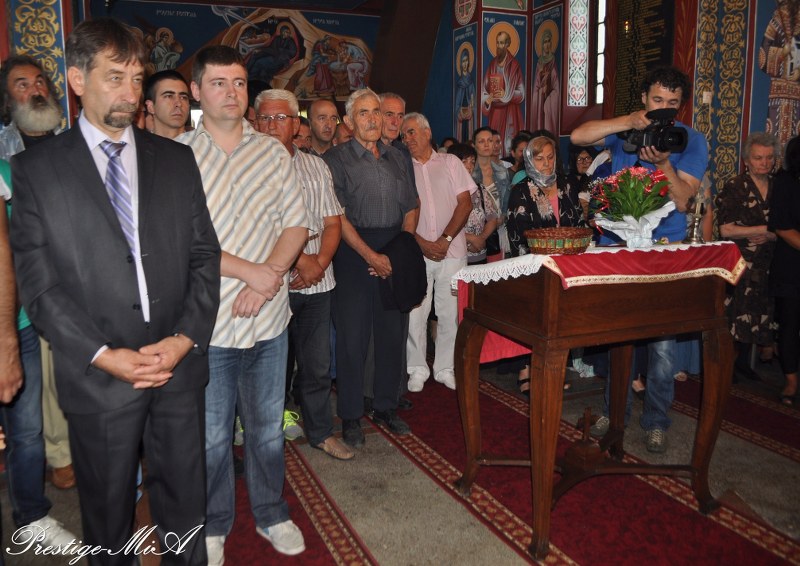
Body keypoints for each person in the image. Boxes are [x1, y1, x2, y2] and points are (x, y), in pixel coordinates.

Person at [11, 18, 221, 564]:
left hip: (176, 368)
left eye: (136, 77)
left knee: (186, 509)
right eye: (114, 77)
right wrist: (106, 355)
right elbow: (40, 287)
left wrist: (184, 339)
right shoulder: (36, 171)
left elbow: (204, 256)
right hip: (98, 377)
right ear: (78, 79)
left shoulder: (175, 159)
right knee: (107, 520)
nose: (130, 92)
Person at [179, 45, 309, 563]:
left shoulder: (272, 153)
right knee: (211, 438)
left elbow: (296, 225)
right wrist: (249, 272)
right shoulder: (177, 156)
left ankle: (271, 513)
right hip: (208, 324)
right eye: (219, 83)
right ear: (196, 90)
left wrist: (267, 277)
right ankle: (214, 522)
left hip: (269, 318)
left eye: (238, 83)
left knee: (266, 430)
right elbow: (182, 242)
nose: (231, 92)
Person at [571, 66, 709, 453]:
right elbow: (578, 136)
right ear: (645, 98)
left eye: (672, 103)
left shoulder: (690, 140)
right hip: (617, 245)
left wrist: (664, 164)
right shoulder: (627, 129)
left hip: (665, 247)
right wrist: (629, 122)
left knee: (663, 345)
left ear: (680, 106)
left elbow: (684, 201)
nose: (663, 107)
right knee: (618, 337)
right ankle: (614, 412)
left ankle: (656, 420)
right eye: (657, 100)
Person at [254, 88, 353, 460]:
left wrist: (319, 264)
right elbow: (257, 225)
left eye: (281, 118)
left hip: (317, 281)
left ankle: (321, 432)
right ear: (254, 122)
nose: (272, 125)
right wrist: (299, 261)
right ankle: (267, 432)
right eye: (265, 118)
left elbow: (332, 222)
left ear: (296, 124)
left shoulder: (315, 165)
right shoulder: (246, 166)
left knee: (316, 365)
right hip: (271, 282)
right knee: (271, 365)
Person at [1, 53, 78, 503]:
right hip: (28, 282)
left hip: (77, 273)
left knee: (77, 364)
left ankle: (79, 445)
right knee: (44, 377)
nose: (35, 90)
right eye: (21, 84)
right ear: (7, 99)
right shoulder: (3, 151)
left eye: (39, 81)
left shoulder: (72, 142)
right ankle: (59, 454)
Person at [322, 88, 418, 448]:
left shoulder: (398, 157)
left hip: (393, 250)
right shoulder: (336, 159)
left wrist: (399, 251)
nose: (374, 119)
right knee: (353, 338)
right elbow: (337, 216)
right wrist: (370, 256)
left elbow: (412, 206)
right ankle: (350, 415)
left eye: (377, 111)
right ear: (349, 121)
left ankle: (385, 406)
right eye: (364, 113)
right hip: (353, 252)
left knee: (392, 335)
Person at [402, 112, 474, 392]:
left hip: (452, 251)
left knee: (450, 313)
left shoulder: (450, 162)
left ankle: (445, 367)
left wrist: (445, 240)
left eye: (412, 132)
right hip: (416, 252)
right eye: (404, 135)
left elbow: (465, 204)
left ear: (427, 132)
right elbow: (401, 213)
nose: (407, 139)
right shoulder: (402, 167)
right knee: (415, 314)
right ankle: (417, 368)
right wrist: (422, 243)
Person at [715, 132, 780, 381]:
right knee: (735, 313)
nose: (764, 163)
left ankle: (742, 363)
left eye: (769, 158)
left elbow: (785, 226)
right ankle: (725, 367)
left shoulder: (778, 186)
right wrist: (762, 230)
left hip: (768, 262)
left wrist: (772, 235)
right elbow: (726, 230)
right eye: (758, 158)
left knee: (759, 314)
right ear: (747, 160)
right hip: (739, 261)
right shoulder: (736, 186)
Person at [506, 136, 586, 256]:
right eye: (539, 159)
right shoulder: (520, 191)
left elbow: (580, 224)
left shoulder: (567, 184)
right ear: (529, 161)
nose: (546, 163)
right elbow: (519, 239)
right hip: (536, 262)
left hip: (571, 257)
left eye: (550, 157)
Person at [769, 134, 800, 406]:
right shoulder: (785, 182)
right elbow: (781, 226)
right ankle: (791, 381)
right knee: (790, 324)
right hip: (792, 265)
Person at [758, 0, 800, 150]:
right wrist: (782, 52)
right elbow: (763, 56)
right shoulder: (777, 21)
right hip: (779, 91)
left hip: (797, 91)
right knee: (775, 134)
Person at [448, 143, 499, 265]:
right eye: (464, 161)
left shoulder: (479, 189)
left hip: (479, 254)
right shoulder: (445, 191)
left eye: (472, 162)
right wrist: (470, 239)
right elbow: (441, 226)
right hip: (453, 256)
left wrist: (481, 239)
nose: (469, 166)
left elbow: (492, 218)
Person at [481, 30, 524, 154]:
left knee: (508, 143)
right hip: (495, 113)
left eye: (502, 43)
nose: (499, 46)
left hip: (510, 112)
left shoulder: (514, 65)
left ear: (507, 44)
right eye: (497, 43)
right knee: (495, 146)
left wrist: (506, 94)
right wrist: (487, 100)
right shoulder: (492, 65)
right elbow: (484, 90)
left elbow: (521, 93)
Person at [472, 126, 511, 257]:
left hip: (498, 229)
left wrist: (502, 217)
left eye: (490, 140)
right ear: (474, 145)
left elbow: (506, 201)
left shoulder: (502, 171)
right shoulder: (469, 172)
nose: (487, 144)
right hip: (475, 231)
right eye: (481, 141)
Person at [143, 69, 190, 139]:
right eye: (169, 96)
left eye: (183, 97)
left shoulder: (202, 144)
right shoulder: (137, 145)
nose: (179, 104)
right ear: (150, 107)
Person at [531, 27, 560, 134]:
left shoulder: (553, 62)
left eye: (549, 41)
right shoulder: (539, 63)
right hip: (540, 101)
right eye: (545, 42)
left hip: (548, 102)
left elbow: (556, 88)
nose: (547, 45)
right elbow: (536, 87)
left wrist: (548, 99)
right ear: (542, 45)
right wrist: (540, 91)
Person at [455, 47, 475, 143]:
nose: (465, 63)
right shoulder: (459, 82)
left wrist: (471, 105)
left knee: (469, 135)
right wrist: (459, 110)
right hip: (461, 112)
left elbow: (472, 96)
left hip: (469, 111)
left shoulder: (470, 80)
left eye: (466, 60)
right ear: (460, 63)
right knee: (462, 135)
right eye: (463, 61)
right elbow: (457, 101)